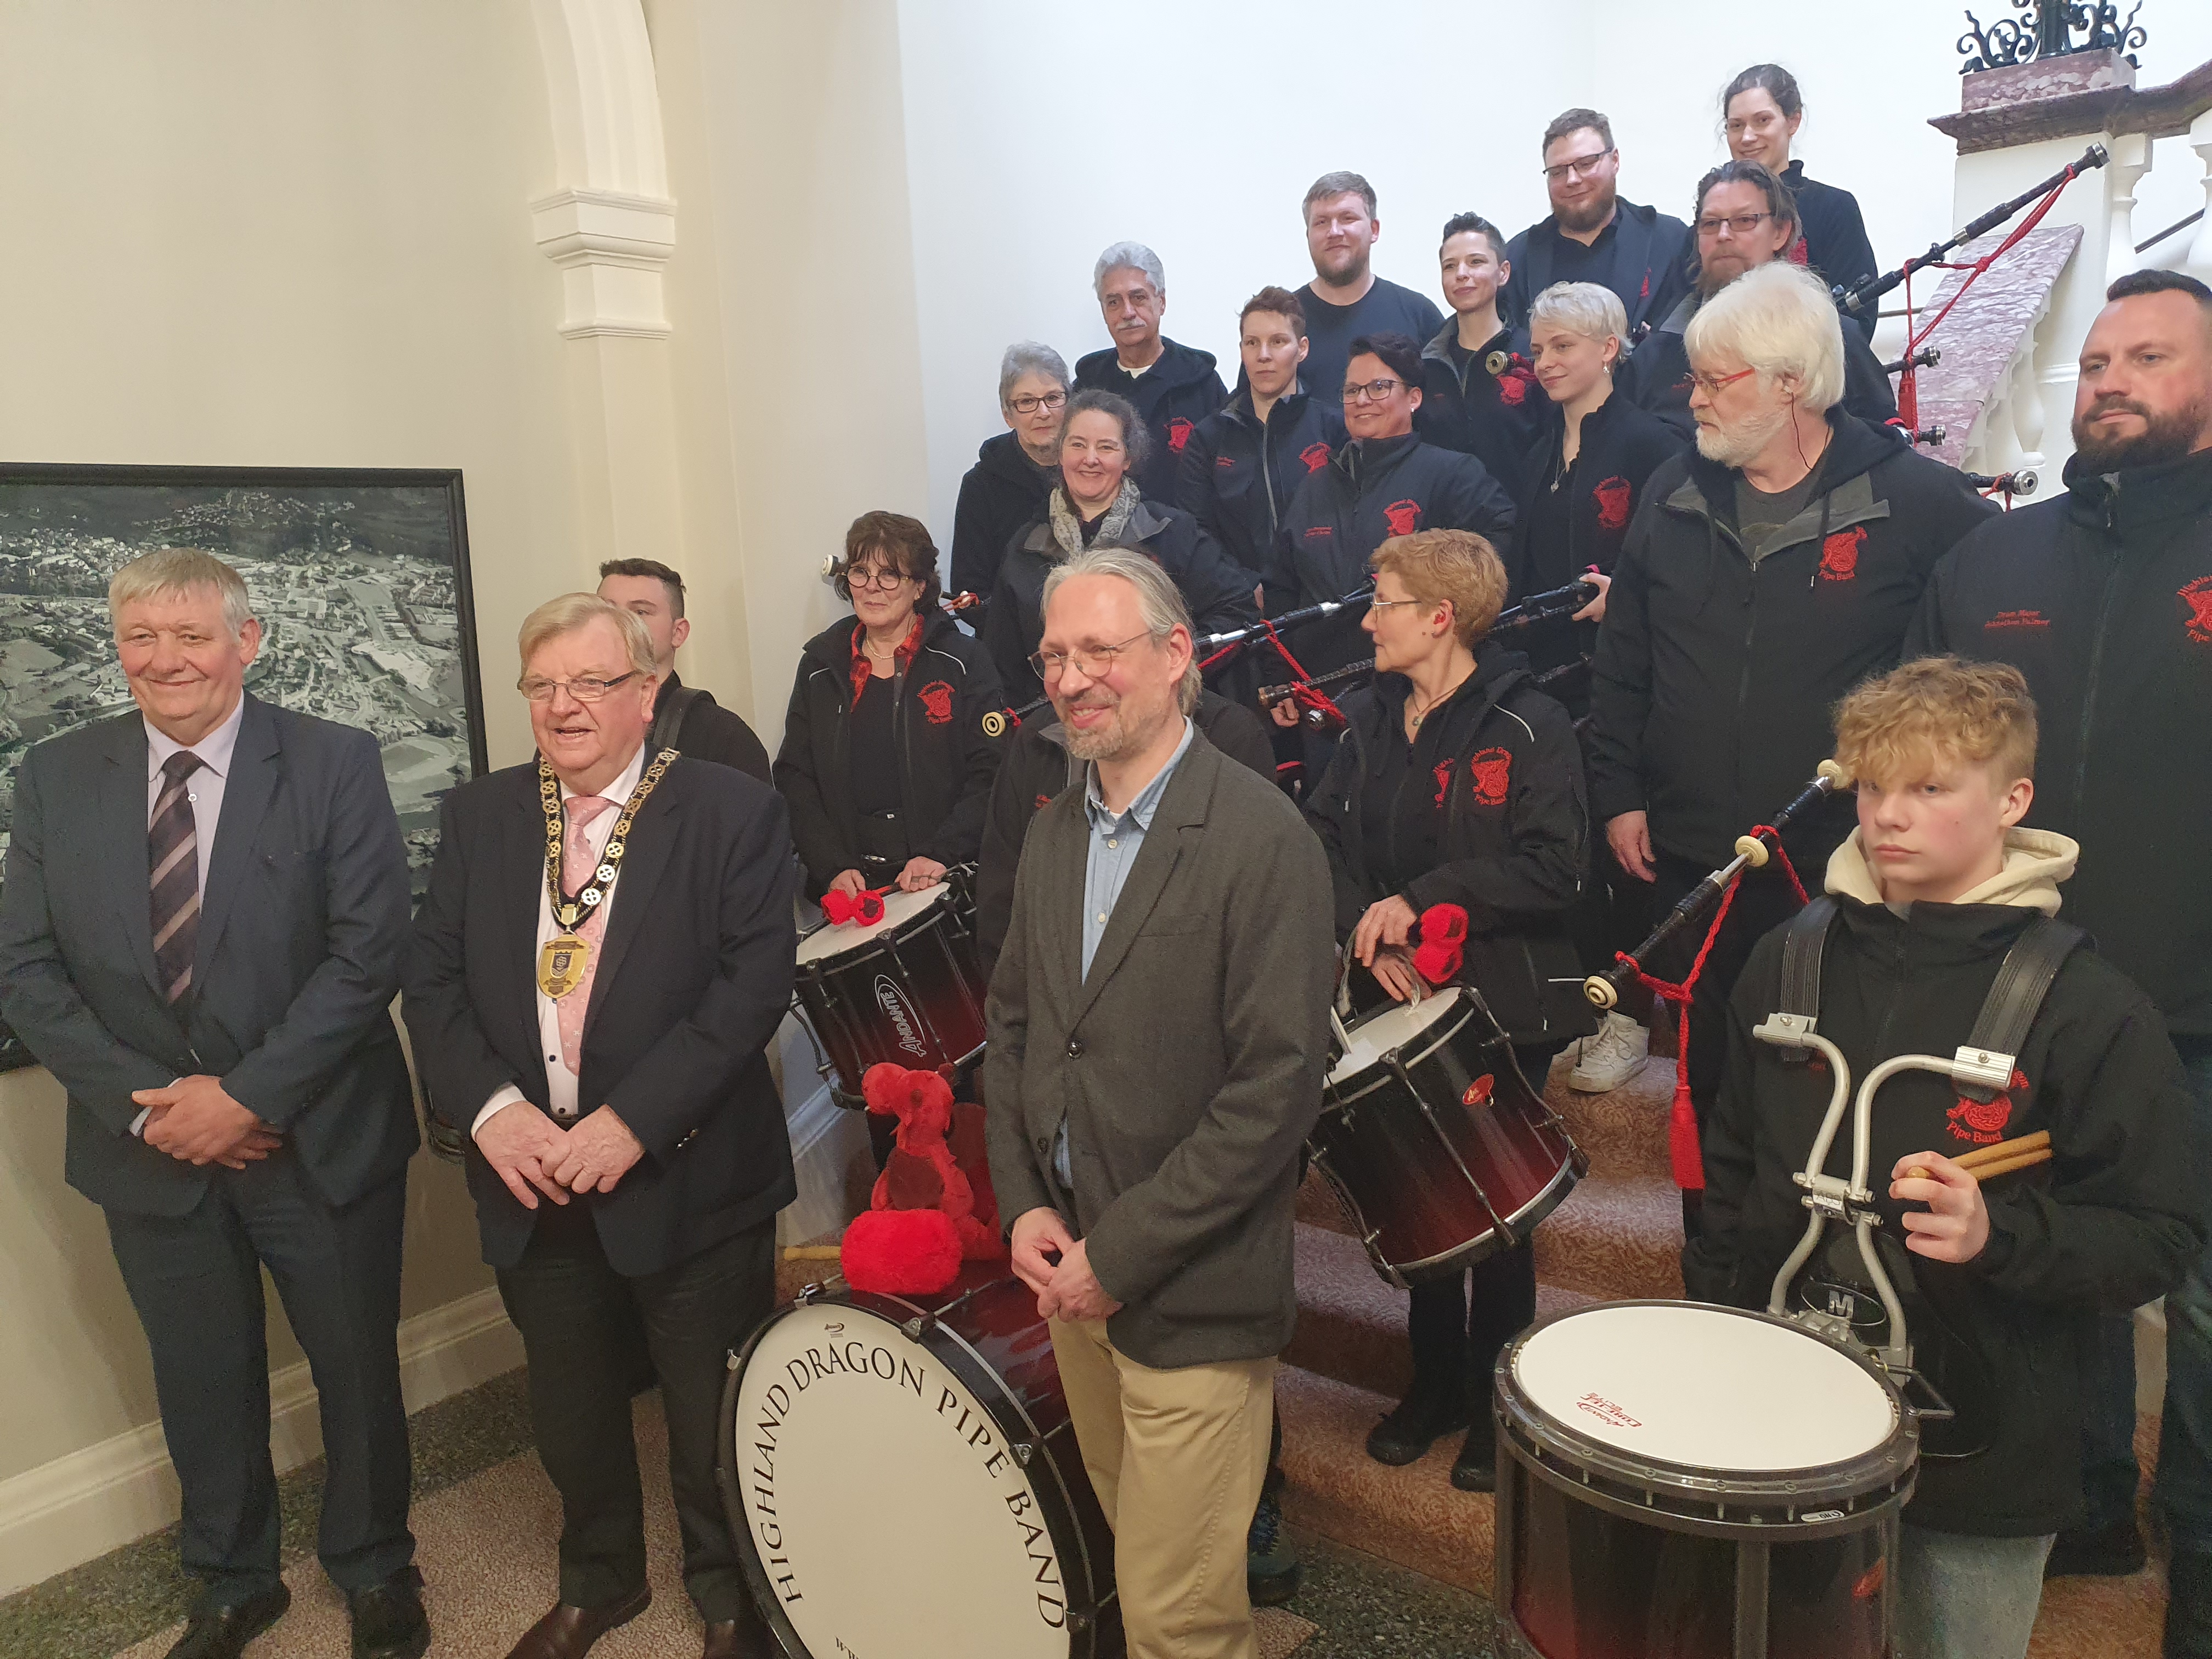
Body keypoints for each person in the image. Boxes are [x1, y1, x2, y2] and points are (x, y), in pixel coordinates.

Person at [1685, 655, 2204, 1659]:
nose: (1889, 815)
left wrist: (1996, 1233)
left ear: (2013, 800)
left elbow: (2159, 1236)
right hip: (1784, 1414)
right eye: (1873, 785)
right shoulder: (1783, 959)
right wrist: (1718, 1323)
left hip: (1984, 1453)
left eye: (1929, 788)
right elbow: (1734, 1165)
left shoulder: (2089, 1006)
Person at [0, 549, 427, 1659]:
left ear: (247, 641)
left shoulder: (333, 760)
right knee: (200, 1378)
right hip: (149, 1150)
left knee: (354, 1370)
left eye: (191, 635)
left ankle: (375, 1564)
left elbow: (368, 951)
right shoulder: (57, 775)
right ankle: (234, 1579)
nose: (165, 659)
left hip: (315, 1136)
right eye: (140, 636)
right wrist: (153, 1111)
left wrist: (242, 1097)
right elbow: (24, 969)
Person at [1904, 269, 2212, 1638]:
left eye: (2148, 357)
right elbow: (1916, 748)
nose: (2111, 382)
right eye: (2095, 363)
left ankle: (2201, 1567)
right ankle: (2084, 1504)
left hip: (2201, 1006)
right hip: (2029, 997)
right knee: (2050, 1259)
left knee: (2201, 1307)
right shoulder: (1995, 561)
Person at [404, 594, 797, 1659]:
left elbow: (751, 988)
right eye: (543, 685)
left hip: (688, 1172)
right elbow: (430, 982)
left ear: (645, 692)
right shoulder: (479, 816)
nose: (564, 705)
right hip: (531, 1175)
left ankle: (730, 1595)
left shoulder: (729, 809)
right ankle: (600, 1579)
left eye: (591, 681)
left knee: (710, 1412)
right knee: (570, 1406)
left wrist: (632, 1122)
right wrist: (494, 1114)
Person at [1585, 263, 1996, 1227]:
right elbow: (1623, 657)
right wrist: (1619, 790)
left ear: (1791, 383)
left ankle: (1813, 1281)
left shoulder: (1918, 502)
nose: (1692, 399)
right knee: (1710, 1088)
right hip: (1696, 859)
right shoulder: (1672, 490)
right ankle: (1712, 1268)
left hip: (1842, 870)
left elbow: (1975, 685)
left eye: (1713, 379)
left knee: (1822, 1093)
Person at [984, 546, 1333, 1659]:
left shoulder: (1262, 837)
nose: (1071, 677)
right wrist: (1023, 1203)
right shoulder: (1055, 828)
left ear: (1176, 653)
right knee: (1138, 1554)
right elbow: (1016, 1028)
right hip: (1072, 1273)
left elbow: (1274, 1091)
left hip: (1190, 1289)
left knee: (1177, 1617)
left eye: (1099, 650)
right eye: (1054, 655)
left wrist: (1119, 1253)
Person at [1304, 529, 1594, 1491]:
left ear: (1439, 616)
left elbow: (1556, 867)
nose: (1366, 621)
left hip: (1499, 998)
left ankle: (1494, 1399)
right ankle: (1432, 1383)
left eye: (1381, 602)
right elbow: (1321, 839)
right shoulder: (1364, 720)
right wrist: (1372, 928)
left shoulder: (1531, 722)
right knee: (1420, 1198)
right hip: (1393, 988)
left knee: (1497, 1212)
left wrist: (1423, 898)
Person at [1512, 282, 1685, 1094]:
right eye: (1538, 349)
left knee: (1628, 854)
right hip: (1553, 682)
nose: (1544, 362)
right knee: (1570, 848)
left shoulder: (1653, 445)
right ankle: (1585, 1009)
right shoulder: (1537, 451)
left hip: (1629, 680)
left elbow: (1679, 563)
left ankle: (1631, 1019)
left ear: (1610, 348)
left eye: (1563, 346)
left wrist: (1632, 597)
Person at [775, 511, 1006, 904]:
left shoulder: (964, 662)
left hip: (942, 880)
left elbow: (992, 772)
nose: (872, 587)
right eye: (860, 572)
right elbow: (795, 776)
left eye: (890, 575)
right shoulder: (820, 666)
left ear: (919, 587)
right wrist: (831, 865)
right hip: (850, 888)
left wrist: (940, 854)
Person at [986, 389, 1259, 706]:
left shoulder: (1172, 534)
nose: (1090, 459)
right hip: (1057, 721)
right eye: (1078, 445)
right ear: (1060, 453)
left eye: (1106, 447)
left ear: (1128, 458)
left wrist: (1166, 666)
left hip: (1158, 713)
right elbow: (1003, 661)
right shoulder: (1025, 547)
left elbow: (1237, 610)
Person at [1274, 331, 1517, 681]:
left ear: (1414, 398)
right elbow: (1281, 590)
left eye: (1379, 387)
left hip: (1415, 687)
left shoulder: (1455, 475)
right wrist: (1283, 679)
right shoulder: (1314, 487)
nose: (1362, 400)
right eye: (1352, 390)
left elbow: (1494, 558)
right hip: (1317, 691)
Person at [1626, 161, 1897, 438]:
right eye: (1711, 223)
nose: (1723, 235)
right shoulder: (1656, 355)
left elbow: (1884, 446)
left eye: (1744, 220)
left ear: (1780, 232)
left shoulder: (1832, 339)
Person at [1177, 285, 1346, 611]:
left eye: (1278, 342)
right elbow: (1196, 531)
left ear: (1302, 349)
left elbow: (1352, 519)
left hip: (1323, 605)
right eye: (1252, 343)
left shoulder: (1335, 429)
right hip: (1241, 606)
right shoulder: (1209, 438)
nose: (1263, 355)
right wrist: (1243, 583)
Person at [1501, 109, 1692, 345]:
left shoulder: (1670, 241)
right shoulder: (1518, 258)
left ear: (1615, 160)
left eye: (1586, 164)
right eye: (1558, 172)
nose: (1572, 179)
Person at [1722, 63, 1878, 340]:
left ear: (1793, 122)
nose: (1747, 137)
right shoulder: (1714, 216)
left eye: (1762, 121)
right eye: (1736, 125)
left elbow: (1859, 321)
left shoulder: (1832, 208)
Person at [1073, 241, 1228, 502]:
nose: (1127, 312)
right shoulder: (1088, 387)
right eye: (1114, 302)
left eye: (1138, 297)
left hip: (1187, 525)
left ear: (1162, 302)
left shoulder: (1201, 382)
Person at [596, 558, 772, 783]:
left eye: (640, 612)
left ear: (678, 633)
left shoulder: (724, 737)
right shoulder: (568, 722)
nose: (619, 623)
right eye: (607, 610)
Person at [1296, 171, 1446, 416]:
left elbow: (1444, 417)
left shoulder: (1419, 316)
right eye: (1321, 222)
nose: (1334, 232)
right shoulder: (1281, 325)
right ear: (1308, 235)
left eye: (1347, 218)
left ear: (1374, 229)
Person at [1417, 212, 1545, 501]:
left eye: (1476, 262)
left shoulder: (1534, 355)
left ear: (1504, 273)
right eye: (1450, 266)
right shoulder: (1426, 365)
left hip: (1525, 521)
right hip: (1445, 524)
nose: (1461, 273)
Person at [949, 341, 1069, 616]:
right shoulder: (981, 487)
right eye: (1027, 402)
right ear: (1008, 416)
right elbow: (968, 591)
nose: (1043, 412)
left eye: (1053, 398)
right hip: (1010, 637)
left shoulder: (1091, 472)